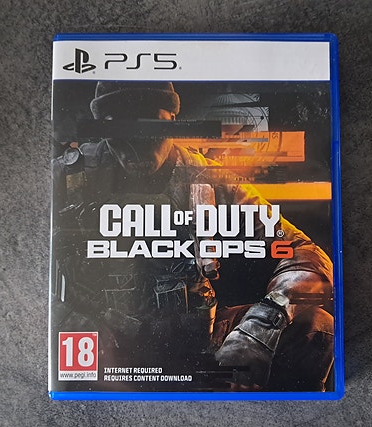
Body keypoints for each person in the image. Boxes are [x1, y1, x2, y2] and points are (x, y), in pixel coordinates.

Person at [53, 81, 334, 391]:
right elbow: (25, 259)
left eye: (149, 125)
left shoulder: (212, 179)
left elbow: (304, 252)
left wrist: (263, 324)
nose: (135, 141)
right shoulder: (67, 177)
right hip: (102, 341)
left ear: (172, 121)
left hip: (197, 339)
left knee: (315, 328)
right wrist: (67, 320)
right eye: (119, 126)